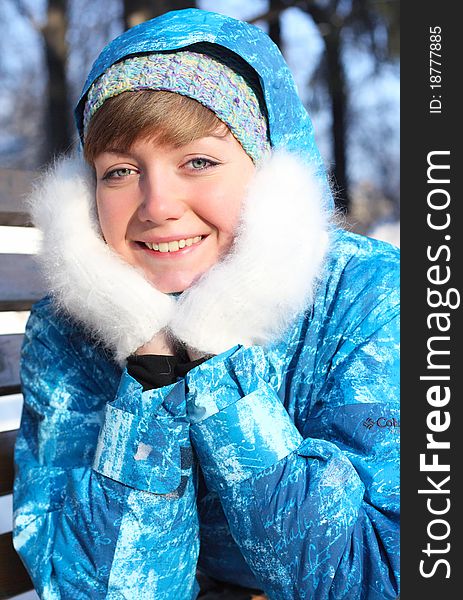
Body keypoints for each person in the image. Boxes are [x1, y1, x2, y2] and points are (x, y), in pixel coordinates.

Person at [13, 8, 400, 600]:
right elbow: (87, 590)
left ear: (270, 175)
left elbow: (384, 574)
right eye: (119, 171)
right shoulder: (67, 330)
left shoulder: (371, 296)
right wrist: (153, 374)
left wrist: (222, 375)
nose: (157, 205)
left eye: (198, 161)